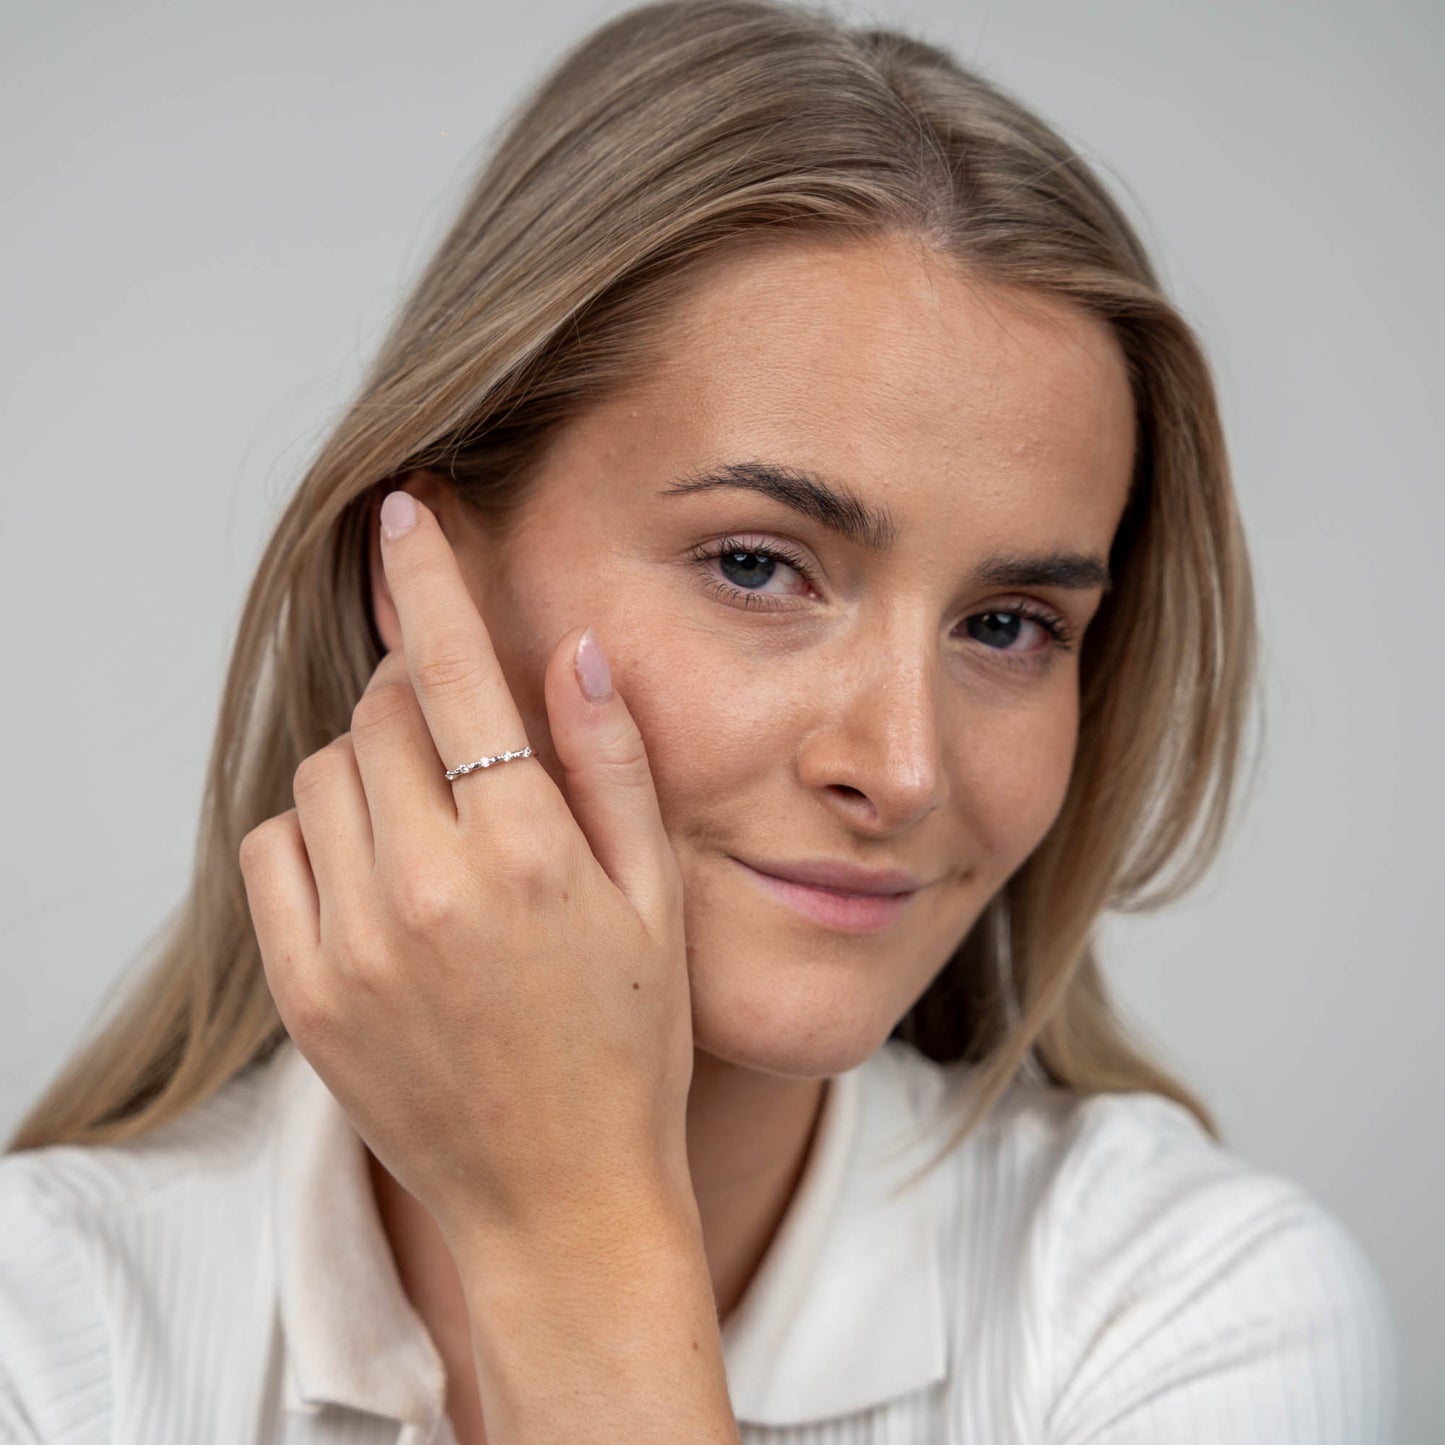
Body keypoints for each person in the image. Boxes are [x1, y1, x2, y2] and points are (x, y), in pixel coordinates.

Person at [0, 0, 1399, 1441]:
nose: (904, 769)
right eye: (755, 566)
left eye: (1006, 626)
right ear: (426, 575)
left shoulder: (1195, 1315)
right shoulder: (46, 1333)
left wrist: (572, 1231)